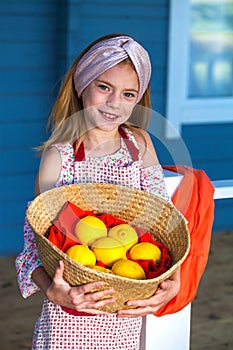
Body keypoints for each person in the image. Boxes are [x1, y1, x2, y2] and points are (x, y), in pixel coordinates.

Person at [15, 33, 181, 350]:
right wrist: (53, 291)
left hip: (125, 314)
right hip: (72, 315)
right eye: (104, 87)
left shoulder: (140, 146)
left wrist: (176, 278)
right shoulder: (59, 158)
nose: (114, 103)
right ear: (83, 85)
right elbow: (33, 247)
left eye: (128, 93)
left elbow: (164, 221)